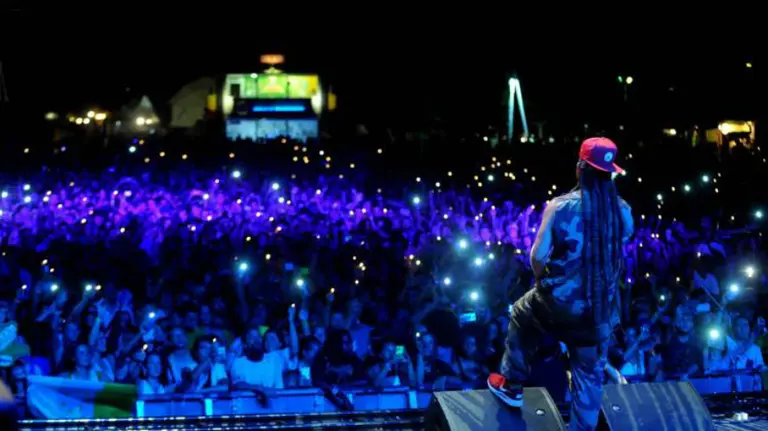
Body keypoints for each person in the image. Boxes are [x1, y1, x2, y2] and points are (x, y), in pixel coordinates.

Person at [488, 138, 633, 431]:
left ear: (580, 167)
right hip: (599, 315)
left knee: (521, 311)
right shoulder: (623, 211)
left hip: (559, 305)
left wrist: (545, 283)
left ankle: (512, 384)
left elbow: (538, 256)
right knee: (588, 376)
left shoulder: (559, 206)